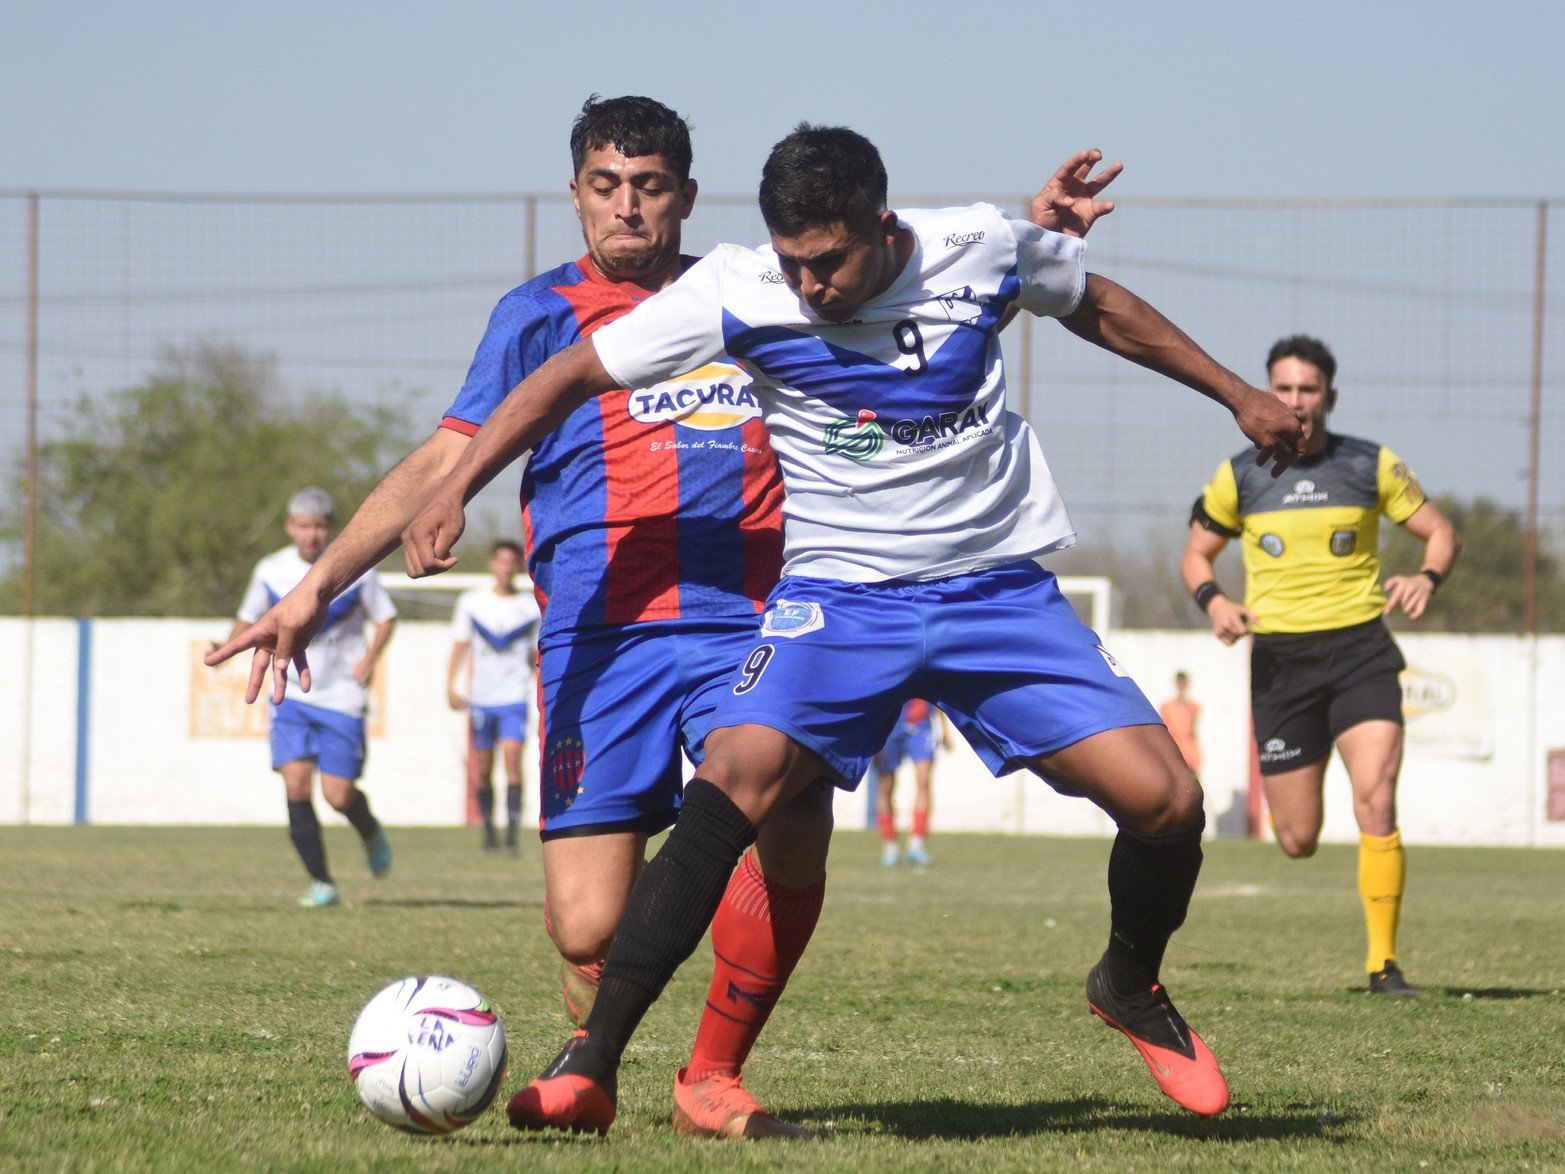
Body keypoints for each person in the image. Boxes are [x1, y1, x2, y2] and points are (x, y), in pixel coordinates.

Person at [211, 102, 1127, 1139]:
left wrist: (1033, 234)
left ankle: (710, 1076)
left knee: (789, 828)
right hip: (598, 632)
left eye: (648, 185)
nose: (626, 205)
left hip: (755, 615)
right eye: (605, 185)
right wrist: (310, 590)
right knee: (586, 924)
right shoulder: (537, 314)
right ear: (576, 195)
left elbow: (921, 309)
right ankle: (592, 1061)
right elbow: (438, 459)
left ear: (685, 196)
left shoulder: (757, 288)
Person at [400, 123, 1305, 1133]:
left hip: (992, 594)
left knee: (1167, 802)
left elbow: (1098, 304)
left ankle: (1127, 982)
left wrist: (1237, 395)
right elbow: (567, 376)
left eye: (826, 262)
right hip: (839, 600)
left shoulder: (978, 248)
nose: (809, 287)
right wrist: (456, 489)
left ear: (880, 226)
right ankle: (591, 1065)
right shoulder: (744, 289)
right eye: (791, 262)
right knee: (731, 780)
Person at [1179, 334, 1460, 998]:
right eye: (1283, 387)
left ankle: (1382, 965)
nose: (1295, 400)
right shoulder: (1238, 475)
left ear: (1328, 396)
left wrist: (1426, 574)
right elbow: (1194, 556)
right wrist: (1213, 600)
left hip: (1361, 651)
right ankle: (1364, 936)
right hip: (1279, 662)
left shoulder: (1370, 464)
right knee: (1297, 838)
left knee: (1375, 798)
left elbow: (1440, 530)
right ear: (1264, 391)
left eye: (1307, 389)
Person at [228, 487, 396, 908]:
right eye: (304, 526)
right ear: (290, 527)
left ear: (331, 529)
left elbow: (386, 617)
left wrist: (371, 658)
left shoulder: (356, 569)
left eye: (320, 526)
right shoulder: (270, 570)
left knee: (338, 795)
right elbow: (246, 618)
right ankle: (323, 883)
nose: (312, 535)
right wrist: (227, 646)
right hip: (292, 698)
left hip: (342, 697)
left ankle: (369, 830)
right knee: (296, 783)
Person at [446, 539, 540, 852]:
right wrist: (450, 685)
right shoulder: (473, 602)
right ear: (492, 565)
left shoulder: (529, 607)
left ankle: (512, 834)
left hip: (514, 697)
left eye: (511, 562)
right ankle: (489, 829)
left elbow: (537, 653)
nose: (505, 568)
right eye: (500, 561)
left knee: (513, 759)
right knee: (483, 769)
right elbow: (460, 645)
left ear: (518, 566)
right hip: (481, 699)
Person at [873, 699, 949, 866]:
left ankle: (916, 845)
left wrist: (945, 730)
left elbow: (938, 695)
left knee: (924, 780)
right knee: (885, 786)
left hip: (921, 725)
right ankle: (890, 846)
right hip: (891, 726)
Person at [1158, 671, 1202, 779]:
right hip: (1174, 750)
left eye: (1184, 682)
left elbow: (1193, 730)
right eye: (1180, 682)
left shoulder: (1194, 706)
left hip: (1189, 751)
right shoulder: (1166, 707)